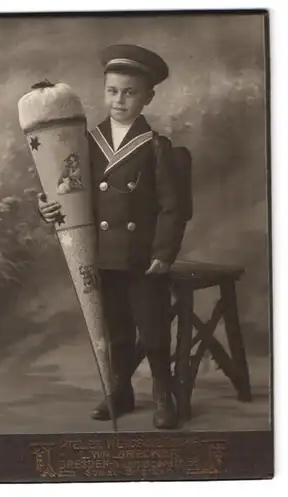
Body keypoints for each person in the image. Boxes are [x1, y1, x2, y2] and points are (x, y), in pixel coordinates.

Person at [38, 44, 187, 429]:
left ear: (147, 97)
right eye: (112, 91)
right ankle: (120, 391)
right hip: (103, 254)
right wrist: (49, 206)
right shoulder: (86, 142)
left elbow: (174, 208)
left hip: (142, 257)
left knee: (153, 329)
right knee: (117, 329)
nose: (119, 100)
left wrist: (164, 254)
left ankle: (162, 393)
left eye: (130, 92)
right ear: (104, 91)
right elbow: (65, 188)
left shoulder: (156, 147)